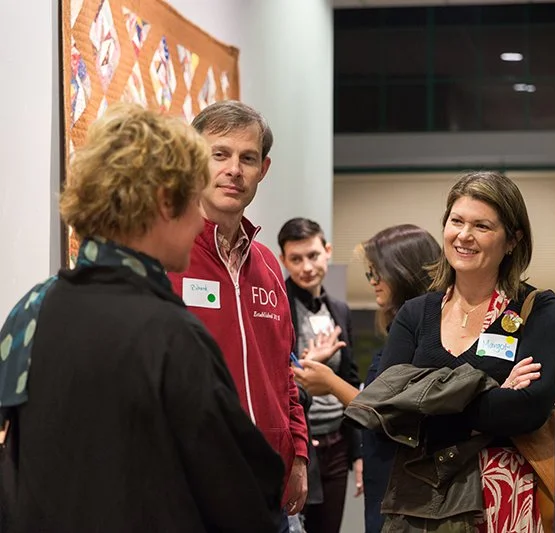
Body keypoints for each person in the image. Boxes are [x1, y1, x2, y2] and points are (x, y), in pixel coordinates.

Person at [0, 103, 285, 532]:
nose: (196, 224)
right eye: (191, 201)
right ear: (164, 204)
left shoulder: (31, 308)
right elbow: (238, 493)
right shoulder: (171, 334)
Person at [293, 223, 542, 532]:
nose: (373, 282)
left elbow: (394, 406)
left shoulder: (431, 329)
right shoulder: (405, 323)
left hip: (418, 471)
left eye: (376, 273)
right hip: (389, 465)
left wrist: (330, 383)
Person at [374, 173, 555, 532]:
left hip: (506, 503)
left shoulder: (537, 309)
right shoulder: (416, 313)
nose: (464, 235)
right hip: (423, 501)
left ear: (512, 240)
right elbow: (387, 412)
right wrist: (492, 392)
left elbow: (530, 409)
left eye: (482, 225)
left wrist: (427, 398)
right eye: (456, 221)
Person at [167, 101, 308, 532]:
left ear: (263, 169)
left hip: (266, 488)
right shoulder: (167, 255)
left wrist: (298, 453)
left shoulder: (267, 264)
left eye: (248, 158)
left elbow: (283, 371)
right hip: (190, 489)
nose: (235, 170)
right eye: (220, 154)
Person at [278, 217, 362, 533]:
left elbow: (351, 380)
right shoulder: (278, 304)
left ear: (327, 251)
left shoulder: (339, 309)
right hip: (299, 445)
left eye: (313, 255)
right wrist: (306, 364)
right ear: (283, 261)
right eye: (296, 259)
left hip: (337, 443)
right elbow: (270, 377)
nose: (306, 267)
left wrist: (358, 452)